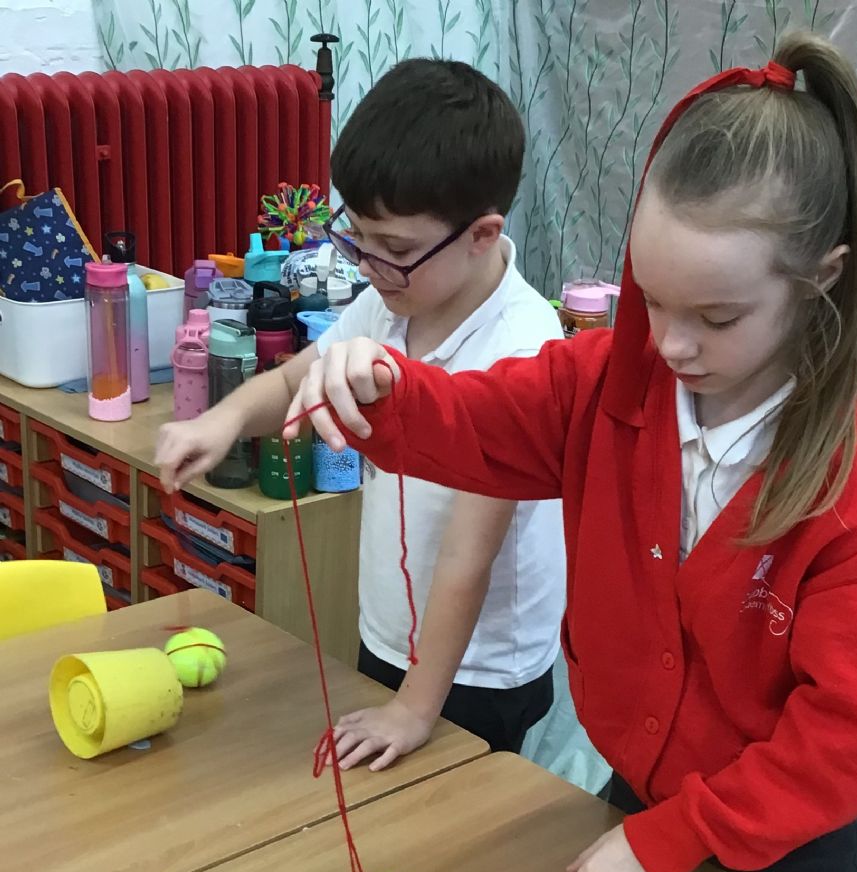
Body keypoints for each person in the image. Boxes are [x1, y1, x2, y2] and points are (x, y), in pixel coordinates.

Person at [282, 34, 857, 872]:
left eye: (716, 317)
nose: (672, 343)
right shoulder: (604, 386)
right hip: (637, 799)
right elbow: (477, 421)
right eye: (654, 300)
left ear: (819, 280)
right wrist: (385, 388)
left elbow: (845, 739)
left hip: (778, 847)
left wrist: (681, 834)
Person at [155, 59, 566, 765]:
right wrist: (221, 421)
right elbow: (299, 378)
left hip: (477, 669)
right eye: (358, 238)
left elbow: (468, 556)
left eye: (395, 248)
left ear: (482, 234)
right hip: (392, 634)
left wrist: (413, 707)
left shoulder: (523, 349)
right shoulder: (391, 300)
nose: (368, 265)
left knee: (454, 819)